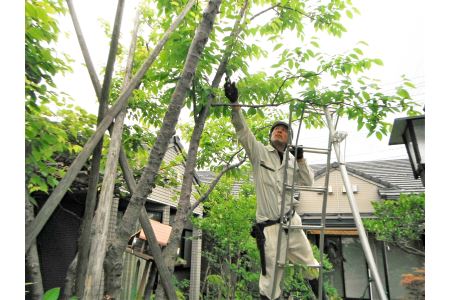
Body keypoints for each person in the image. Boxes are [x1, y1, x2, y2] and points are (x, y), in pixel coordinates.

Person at [224, 77, 325, 300]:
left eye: (284, 130)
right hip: (269, 229)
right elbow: (243, 131)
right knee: (270, 281)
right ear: (271, 136)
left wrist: (301, 160)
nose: (279, 131)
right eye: (276, 130)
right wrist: (235, 104)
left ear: (289, 138)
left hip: (292, 223)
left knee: (311, 266)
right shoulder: (259, 153)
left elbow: (308, 183)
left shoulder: (292, 160)